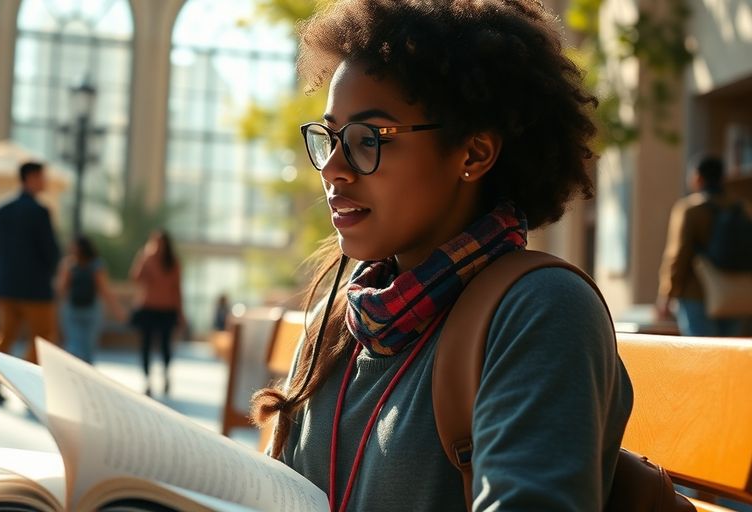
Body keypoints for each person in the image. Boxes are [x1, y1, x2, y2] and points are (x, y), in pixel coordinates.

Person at [250, 1, 633, 510]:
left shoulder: (541, 310)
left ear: (473, 154)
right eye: (330, 138)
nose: (333, 168)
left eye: (368, 139)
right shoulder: (339, 322)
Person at [0, 161, 61, 404]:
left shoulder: (1, 210)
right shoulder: (40, 212)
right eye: (42, 177)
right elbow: (50, 252)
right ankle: (23, 382)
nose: (45, 182)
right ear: (30, 178)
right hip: (36, 289)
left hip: (7, 287)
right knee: (43, 338)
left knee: (5, 335)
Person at [657, 156, 745, 337]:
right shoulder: (742, 209)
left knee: (701, 357)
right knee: (731, 359)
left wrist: (666, 293)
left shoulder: (690, 209)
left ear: (698, 178)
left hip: (695, 295)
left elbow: (678, 254)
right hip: (736, 294)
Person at [55, 236, 126, 364]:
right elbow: (62, 288)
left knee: (88, 349)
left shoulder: (96, 265)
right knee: (74, 347)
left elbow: (104, 290)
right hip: (73, 311)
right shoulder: (69, 265)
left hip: (91, 311)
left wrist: (117, 310)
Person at [129, 230, 184, 396]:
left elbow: (177, 290)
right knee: (145, 345)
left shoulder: (173, 263)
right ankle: (147, 379)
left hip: (166, 310)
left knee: (165, 345)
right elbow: (135, 278)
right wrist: (144, 258)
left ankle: (166, 374)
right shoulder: (146, 258)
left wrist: (181, 313)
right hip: (148, 308)